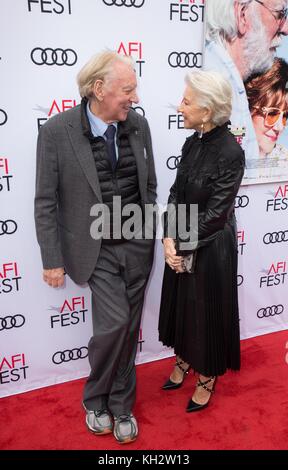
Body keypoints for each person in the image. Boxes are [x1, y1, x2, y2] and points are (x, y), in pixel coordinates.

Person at [34, 51, 157, 444]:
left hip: (137, 243)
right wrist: (51, 259)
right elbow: (46, 201)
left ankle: (121, 406)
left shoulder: (137, 125)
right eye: (128, 89)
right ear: (98, 89)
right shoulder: (57, 131)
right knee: (115, 324)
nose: (135, 96)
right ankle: (94, 397)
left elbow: (149, 183)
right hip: (95, 247)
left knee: (129, 327)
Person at [158, 70, 245, 412]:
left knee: (205, 312)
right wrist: (168, 236)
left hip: (211, 246)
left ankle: (207, 375)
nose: (180, 107)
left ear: (207, 111)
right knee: (182, 306)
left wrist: (181, 246)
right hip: (181, 237)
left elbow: (217, 215)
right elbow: (176, 193)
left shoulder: (230, 153)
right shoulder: (192, 142)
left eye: (187, 101)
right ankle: (183, 360)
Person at [204, 0, 288, 165]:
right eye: (280, 14)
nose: (285, 29)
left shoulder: (228, 83)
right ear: (242, 14)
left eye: (285, 116)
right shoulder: (213, 88)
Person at [244, 57, 288, 180]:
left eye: (285, 116)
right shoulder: (221, 162)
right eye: (272, 114)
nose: (280, 127)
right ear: (248, 108)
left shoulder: (285, 162)